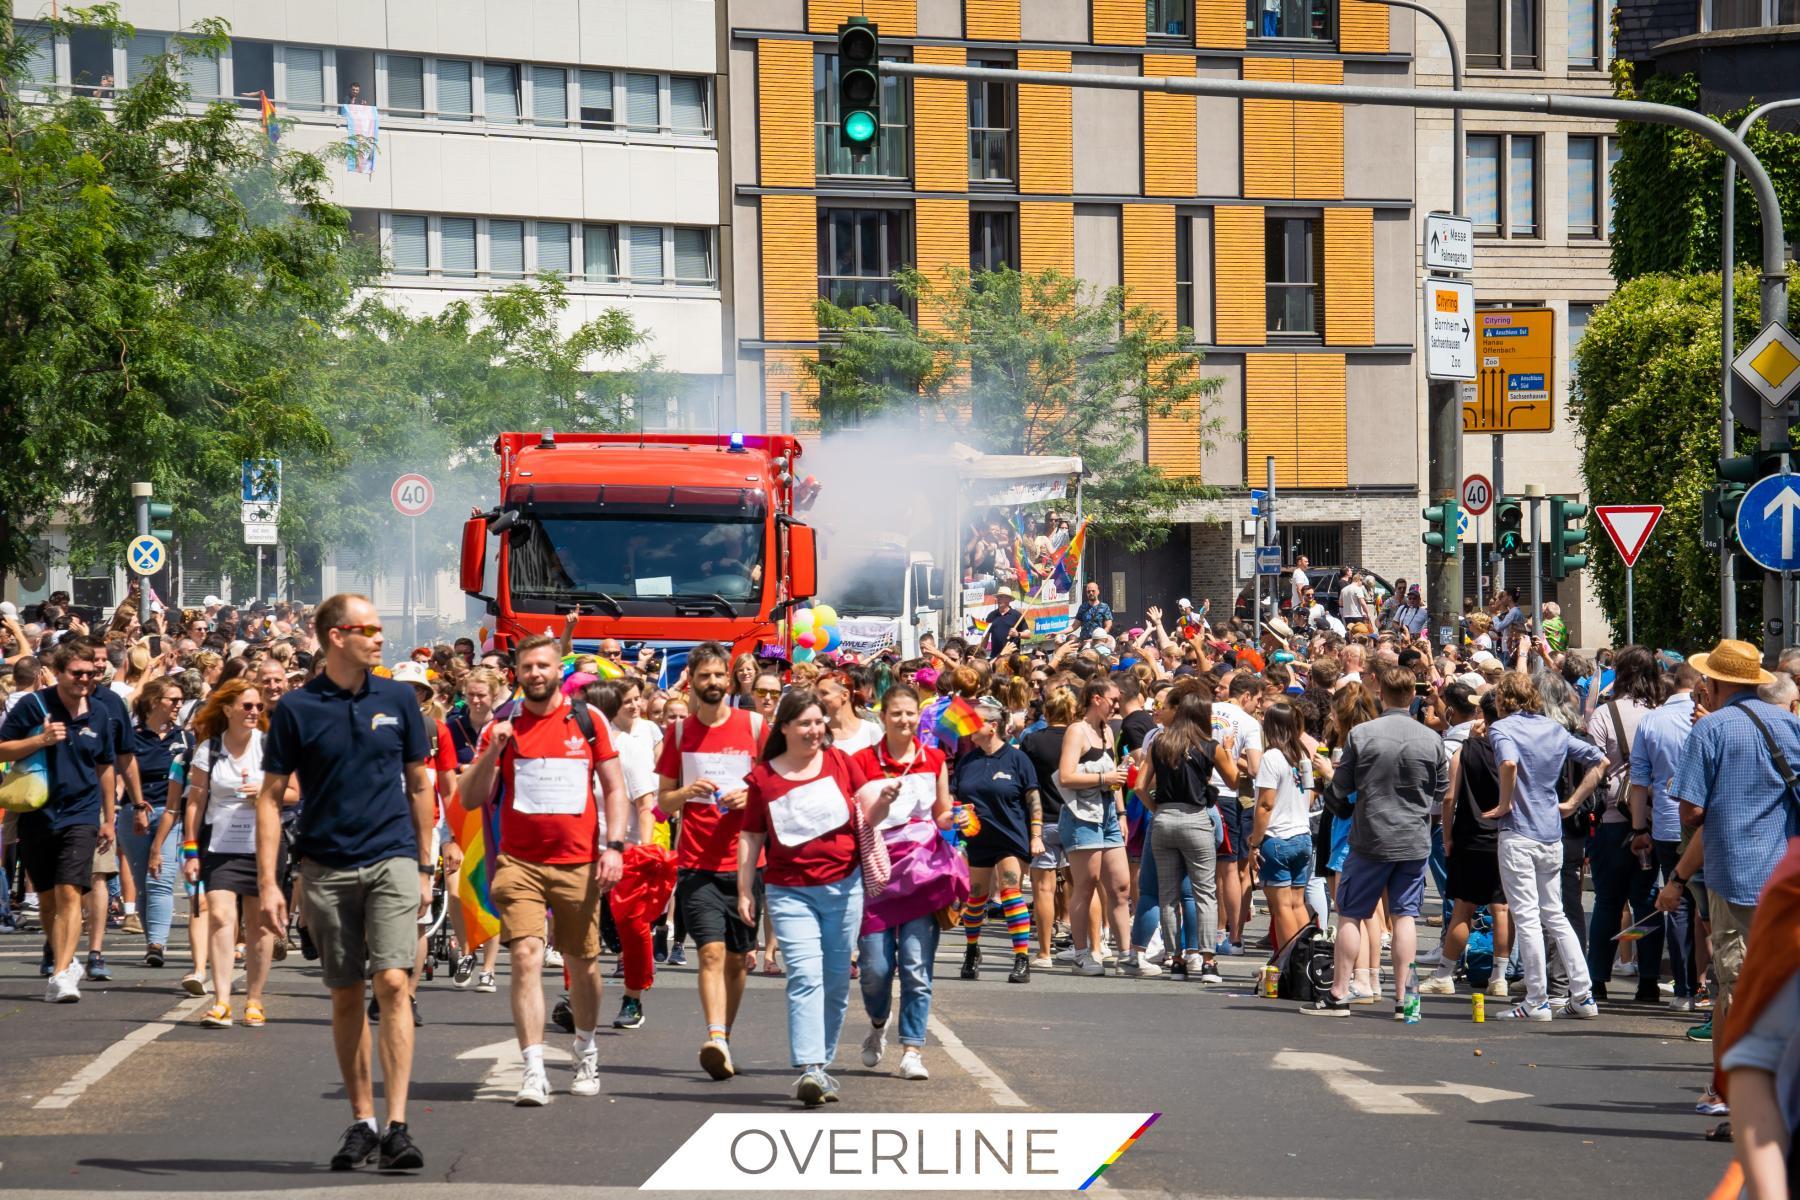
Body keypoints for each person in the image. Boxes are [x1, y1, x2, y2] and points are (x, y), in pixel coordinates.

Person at [255, 594, 435, 1173]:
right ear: (336, 636)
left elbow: (419, 784)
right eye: (370, 630)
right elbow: (268, 797)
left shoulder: (400, 699)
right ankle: (362, 1122)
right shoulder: (298, 709)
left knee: (391, 979)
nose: (381, 639)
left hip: (392, 857)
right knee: (346, 993)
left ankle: (399, 1127)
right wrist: (270, 882)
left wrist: (427, 863)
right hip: (325, 866)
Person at [458, 635, 627, 1106]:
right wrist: (493, 750)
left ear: (558, 671)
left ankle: (585, 1048)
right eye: (527, 666)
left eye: (543, 665)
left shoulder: (587, 721)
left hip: (578, 863)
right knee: (527, 956)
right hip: (519, 863)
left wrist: (613, 846)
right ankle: (533, 1068)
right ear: (517, 672)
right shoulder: (503, 723)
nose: (535, 673)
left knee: (583, 964)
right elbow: (470, 798)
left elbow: (614, 788)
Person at [1660, 638, 1800, 1133]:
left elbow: (1691, 811)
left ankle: (1747, 1102)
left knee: (1740, 986)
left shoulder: (1711, 730)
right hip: (1788, 875)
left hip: (1736, 875)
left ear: (1715, 684)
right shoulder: (1792, 725)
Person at [738, 688, 893, 1106]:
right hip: (789, 893)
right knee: (805, 976)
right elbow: (751, 836)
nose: (813, 730)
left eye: (818, 722)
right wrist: (744, 890)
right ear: (784, 727)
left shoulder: (841, 762)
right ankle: (809, 1067)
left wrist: (884, 801)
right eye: (804, 723)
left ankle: (820, 1066)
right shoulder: (764, 776)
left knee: (837, 979)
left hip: (845, 887)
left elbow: (870, 816)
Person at [1303, 664, 1446, 1018]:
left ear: (1381, 694)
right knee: (1404, 916)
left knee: (1350, 913)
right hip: (1413, 838)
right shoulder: (1432, 739)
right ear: (1412, 695)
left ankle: (1338, 993)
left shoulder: (1362, 735)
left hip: (1369, 836)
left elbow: (1342, 788)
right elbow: (1441, 793)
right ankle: (1405, 999)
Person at [655, 641, 764, 1081]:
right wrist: (686, 793)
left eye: (720, 675)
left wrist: (751, 795)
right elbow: (663, 802)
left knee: (738, 960)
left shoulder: (755, 726)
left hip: (744, 864)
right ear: (693, 681)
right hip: (696, 862)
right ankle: (715, 1035)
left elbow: (777, 785)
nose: (714, 683)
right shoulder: (679, 734)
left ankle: (725, 1038)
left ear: (730, 677)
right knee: (712, 953)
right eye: (705, 677)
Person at [1484, 671, 1608, 1022]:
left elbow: (1509, 763)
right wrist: (1572, 802)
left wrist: (1505, 802)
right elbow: (1601, 760)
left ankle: (1537, 998)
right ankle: (1582, 994)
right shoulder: (1555, 728)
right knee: (1554, 914)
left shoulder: (1502, 728)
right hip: (1551, 831)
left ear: (1503, 700)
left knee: (1526, 915)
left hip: (1519, 832)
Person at [0, 640, 118, 1003]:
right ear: (59, 674)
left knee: (70, 892)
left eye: (90, 672)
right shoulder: (33, 706)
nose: (85, 678)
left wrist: (109, 819)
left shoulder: (98, 712)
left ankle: (62, 973)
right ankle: (66, 960)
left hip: (81, 813)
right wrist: (40, 739)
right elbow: (2, 749)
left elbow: (105, 767)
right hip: (37, 812)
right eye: (77, 673)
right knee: (48, 901)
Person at [849, 684, 954, 1081]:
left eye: (910, 713)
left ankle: (912, 1048)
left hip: (921, 874)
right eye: (896, 713)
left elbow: (941, 813)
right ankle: (878, 1024)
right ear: (883, 715)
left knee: (915, 964)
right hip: (875, 875)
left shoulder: (935, 758)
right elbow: (858, 820)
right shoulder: (861, 761)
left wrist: (955, 819)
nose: (904, 720)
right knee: (875, 968)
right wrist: (882, 802)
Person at [185, 680, 289, 1028]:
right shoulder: (209, 749)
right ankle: (222, 1001)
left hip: (263, 844)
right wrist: (189, 848)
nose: (254, 712)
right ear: (227, 708)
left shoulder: (270, 744)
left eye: (258, 707)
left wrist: (265, 791)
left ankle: (255, 1000)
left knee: (259, 925)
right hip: (220, 843)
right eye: (247, 706)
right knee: (219, 916)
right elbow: (196, 801)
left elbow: (296, 792)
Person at [1583, 645, 1664, 1003]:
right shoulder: (1661, 713)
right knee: (1646, 901)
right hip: (1652, 820)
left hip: (1612, 819)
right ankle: (1647, 980)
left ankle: (1598, 978)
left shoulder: (1605, 714)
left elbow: (1592, 761)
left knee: (1607, 901)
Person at [1421, 689, 1513, 998]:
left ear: (1482, 716)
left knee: (1463, 908)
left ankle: (1445, 973)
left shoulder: (1465, 749)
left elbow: (1449, 798)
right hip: (1503, 834)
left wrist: (1447, 835)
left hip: (1470, 835)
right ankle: (1499, 976)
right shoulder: (1511, 752)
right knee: (1502, 908)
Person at [1141, 690, 1236, 983]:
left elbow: (1140, 786)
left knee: (1168, 894)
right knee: (1204, 892)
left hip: (1164, 818)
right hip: (1195, 818)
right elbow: (1234, 779)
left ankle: (1176, 960)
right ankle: (1207, 960)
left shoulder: (1160, 742)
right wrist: (1229, 752)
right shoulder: (1210, 745)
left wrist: (1157, 809)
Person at [951, 695, 1042, 984]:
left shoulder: (1017, 759)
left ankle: (1021, 958)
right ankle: (972, 950)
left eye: (973, 722)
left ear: (992, 726)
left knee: (1010, 891)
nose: (968, 727)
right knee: (976, 896)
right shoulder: (967, 760)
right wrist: (957, 813)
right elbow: (954, 796)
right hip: (977, 839)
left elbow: (1033, 798)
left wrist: (1036, 835)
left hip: (1010, 837)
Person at [1629, 662, 1701, 1013]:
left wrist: (1640, 828)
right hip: (1705, 824)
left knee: (1679, 905)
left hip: (1668, 826)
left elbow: (1639, 782)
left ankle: (1685, 989)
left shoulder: (1651, 721)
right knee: (1710, 906)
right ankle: (1706, 987)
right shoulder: (1712, 717)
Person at [1058, 679, 1139, 975]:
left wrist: (1121, 813)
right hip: (1082, 815)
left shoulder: (1106, 730)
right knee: (1086, 884)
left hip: (1107, 814)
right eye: (1113, 699)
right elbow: (1065, 776)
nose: (1117, 705)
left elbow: (1115, 773)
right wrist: (1105, 780)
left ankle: (1127, 955)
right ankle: (1082, 954)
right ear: (1096, 699)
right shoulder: (1077, 731)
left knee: (1120, 886)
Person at [120, 677, 190, 969]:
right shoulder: (132, 737)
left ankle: (157, 943)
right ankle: (153, 940)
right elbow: (120, 772)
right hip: (135, 812)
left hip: (171, 812)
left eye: (180, 700)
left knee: (159, 878)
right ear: (153, 702)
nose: (178, 705)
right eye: (172, 699)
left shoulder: (186, 738)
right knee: (143, 883)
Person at [1249, 700, 1313, 952]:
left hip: (1277, 838)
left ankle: (1289, 959)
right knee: (1297, 903)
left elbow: (1265, 805)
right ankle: (1306, 958)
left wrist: (1255, 842)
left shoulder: (1272, 757)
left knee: (1281, 907)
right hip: (1301, 835)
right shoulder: (1302, 754)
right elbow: (1310, 793)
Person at [1020, 688, 1075, 968]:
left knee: (1043, 888)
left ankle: (1044, 952)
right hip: (1077, 818)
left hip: (1043, 820)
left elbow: (1025, 783)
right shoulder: (1079, 739)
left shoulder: (1032, 740)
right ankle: (1087, 946)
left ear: (1047, 712)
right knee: (1081, 887)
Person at [983, 588, 1025, 659]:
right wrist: (980, 654)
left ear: (1009, 599)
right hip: (996, 657)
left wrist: (1017, 634)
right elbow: (985, 637)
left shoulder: (1017, 615)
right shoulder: (991, 616)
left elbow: (1028, 634)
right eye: (998, 597)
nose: (998, 599)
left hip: (1013, 658)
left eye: (1001, 597)